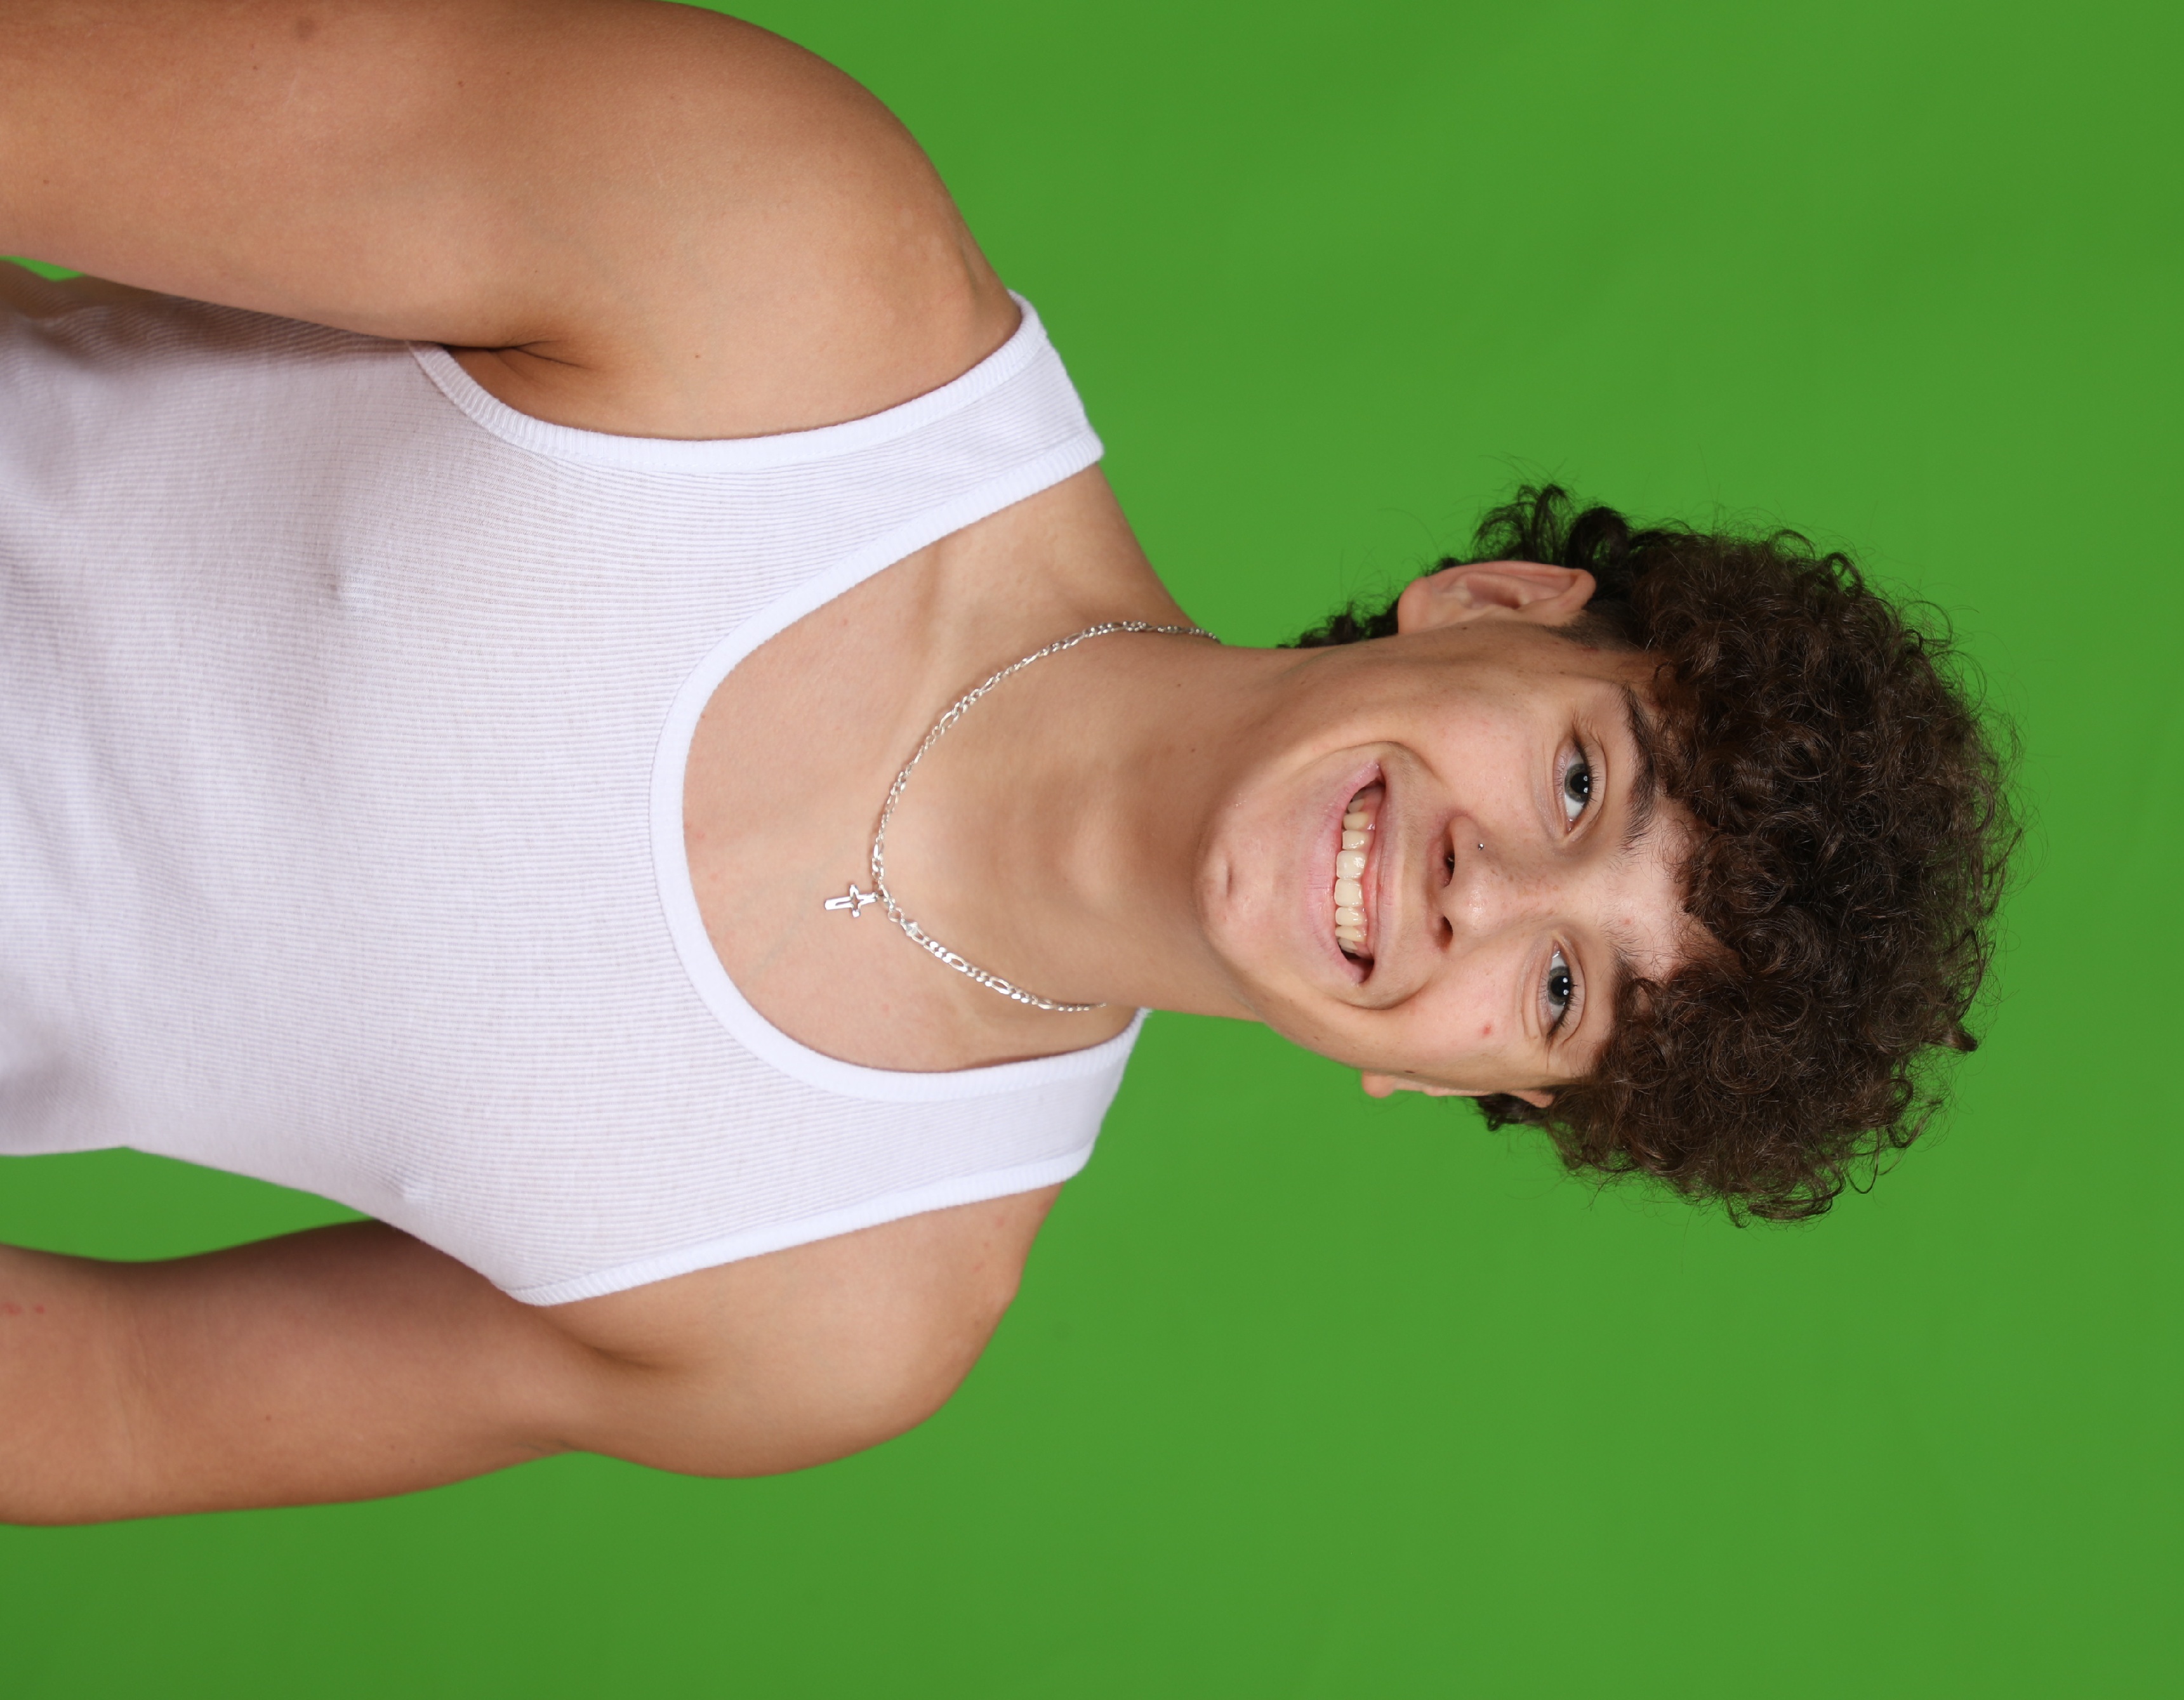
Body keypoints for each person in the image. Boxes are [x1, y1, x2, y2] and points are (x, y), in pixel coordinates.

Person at [0, 0, 2011, 1524]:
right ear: (1489, 605)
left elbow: (115, 1405)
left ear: (1440, 1076)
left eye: (1561, 992)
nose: (1485, 890)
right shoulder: (784, 271)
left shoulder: (836, 1307)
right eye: (1580, 785)